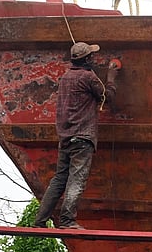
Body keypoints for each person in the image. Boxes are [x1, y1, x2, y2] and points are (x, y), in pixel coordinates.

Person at [34, 41, 121, 229]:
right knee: (77, 179)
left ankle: (40, 220)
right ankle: (67, 220)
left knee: (59, 179)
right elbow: (107, 97)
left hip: (65, 136)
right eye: (91, 55)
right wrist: (112, 76)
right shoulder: (88, 77)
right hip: (82, 136)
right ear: (88, 59)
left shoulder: (65, 77)